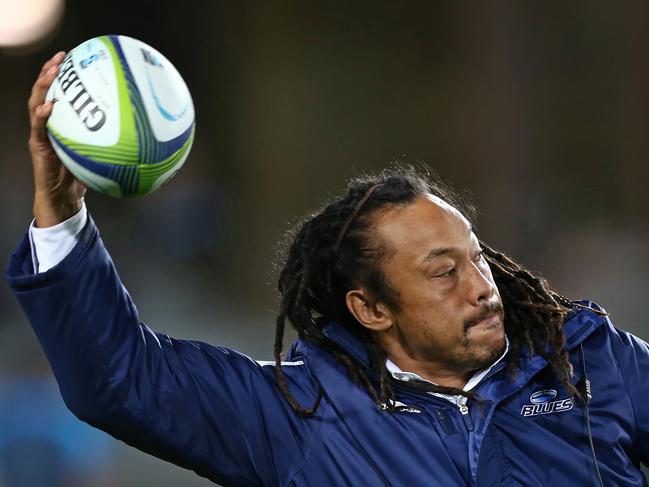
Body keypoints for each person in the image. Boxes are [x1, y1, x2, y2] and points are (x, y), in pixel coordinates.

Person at [5, 52, 648, 487]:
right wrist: (60, 216)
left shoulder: (587, 361)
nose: (483, 287)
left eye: (478, 258)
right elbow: (123, 381)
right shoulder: (301, 415)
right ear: (371, 308)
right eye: (443, 272)